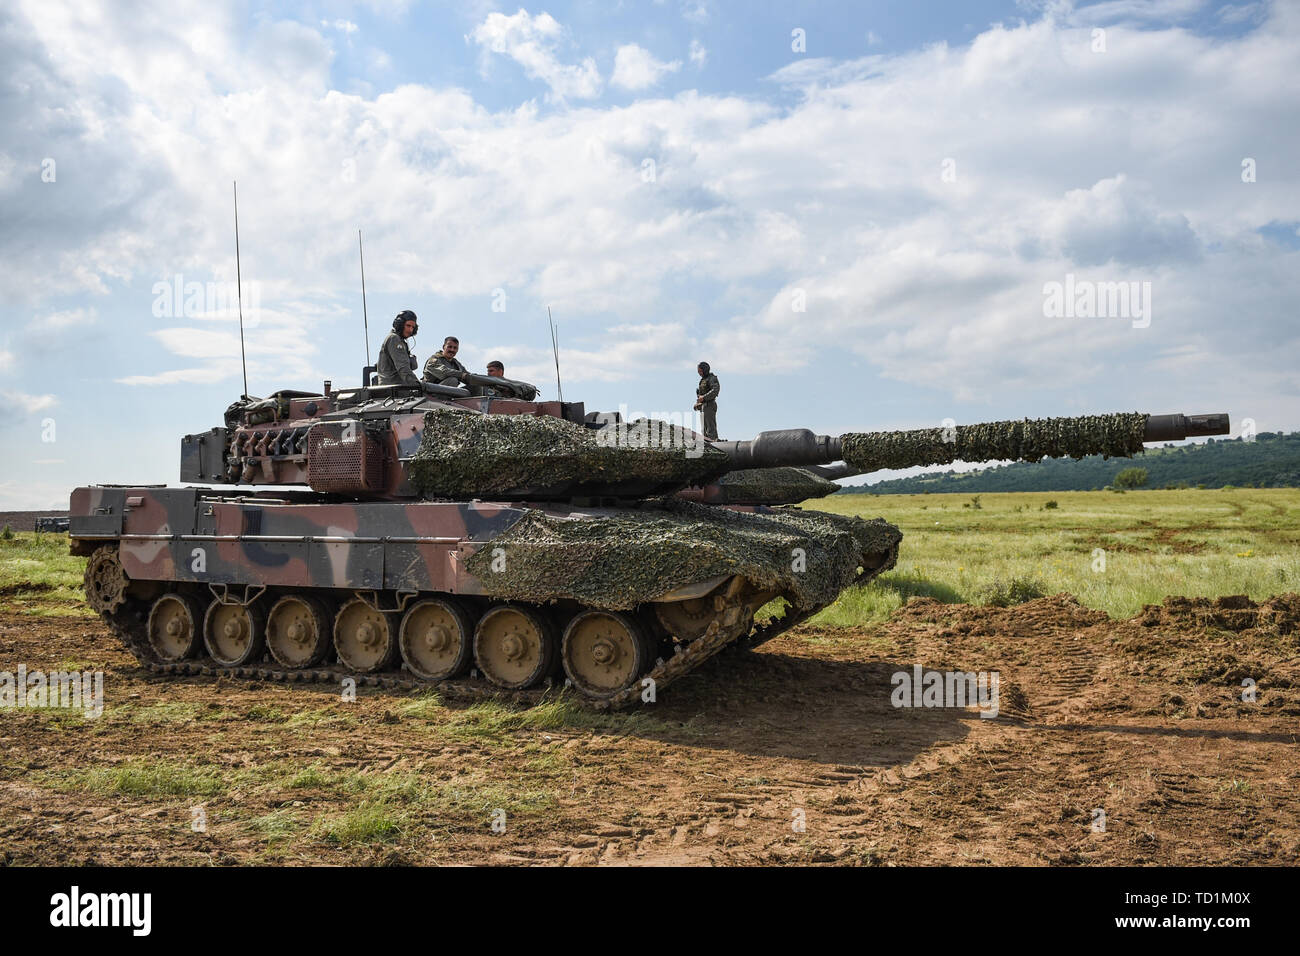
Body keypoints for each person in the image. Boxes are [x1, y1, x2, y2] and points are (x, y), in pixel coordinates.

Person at [376, 310, 420, 386]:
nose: (410, 330)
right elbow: (403, 368)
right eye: (408, 326)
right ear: (400, 324)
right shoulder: (394, 339)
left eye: (413, 327)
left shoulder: (400, 341)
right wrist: (418, 385)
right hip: (392, 387)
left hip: (398, 386)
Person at [695, 361, 720, 441]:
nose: (699, 373)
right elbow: (701, 395)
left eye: (701, 371)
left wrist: (704, 398)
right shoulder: (702, 380)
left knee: (710, 429)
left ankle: (713, 443)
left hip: (710, 405)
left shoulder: (712, 378)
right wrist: (698, 403)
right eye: (698, 371)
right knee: (704, 429)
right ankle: (707, 443)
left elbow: (715, 390)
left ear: (705, 370)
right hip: (703, 406)